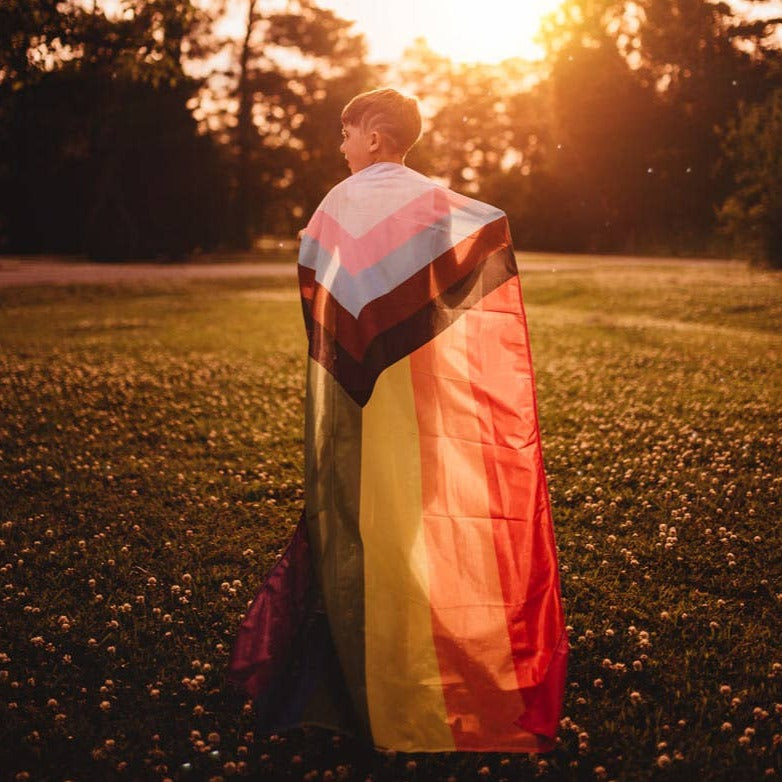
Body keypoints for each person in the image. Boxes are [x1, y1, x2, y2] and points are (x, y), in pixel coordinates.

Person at [230, 88, 567, 754]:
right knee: (409, 520)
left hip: (354, 403)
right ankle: (413, 645)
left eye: (348, 133)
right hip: (416, 403)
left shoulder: (338, 202)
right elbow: (469, 252)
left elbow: (318, 291)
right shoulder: (433, 201)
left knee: (355, 521)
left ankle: (351, 667)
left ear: (376, 138)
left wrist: (350, 347)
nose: (342, 146)